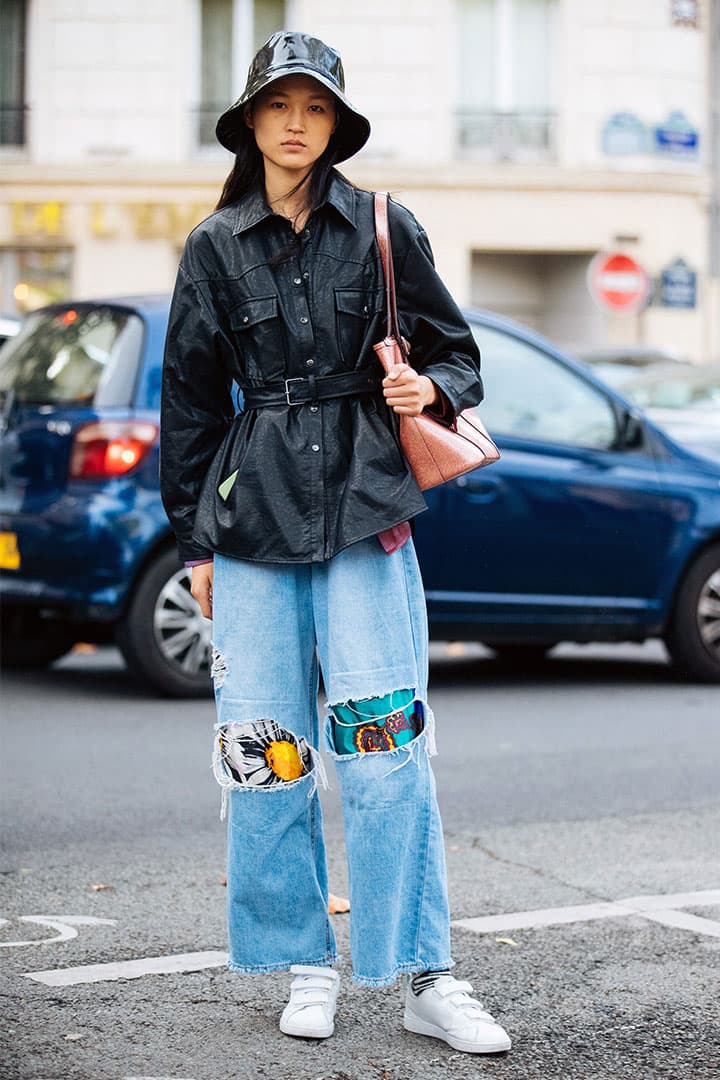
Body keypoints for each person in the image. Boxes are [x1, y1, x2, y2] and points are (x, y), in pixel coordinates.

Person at [160, 30, 511, 1056]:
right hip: (253, 522)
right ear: (253, 120)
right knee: (266, 754)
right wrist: (195, 544)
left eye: (315, 107)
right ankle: (300, 962)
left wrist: (429, 386)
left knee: (384, 747)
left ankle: (421, 973)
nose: (297, 123)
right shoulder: (214, 245)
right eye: (280, 106)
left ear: (336, 123)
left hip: (367, 511)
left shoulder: (383, 228)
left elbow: (458, 351)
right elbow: (187, 400)